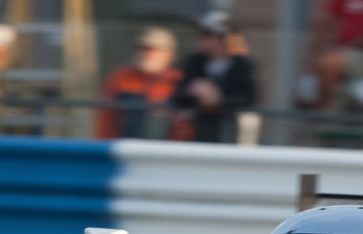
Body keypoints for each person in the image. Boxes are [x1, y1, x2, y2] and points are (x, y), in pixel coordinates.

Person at [173, 11, 258, 143]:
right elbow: (178, 95)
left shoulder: (242, 66)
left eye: (207, 34)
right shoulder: (193, 62)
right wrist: (192, 90)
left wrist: (219, 99)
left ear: (222, 38)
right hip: (194, 137)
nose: (200, 39)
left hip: (229, 137)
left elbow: (249, 97)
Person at [95, 27, 182, 139]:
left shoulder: (178, 81)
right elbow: (106, 119)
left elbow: (183, 126)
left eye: (154, 49)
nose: (147, 54)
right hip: (127, 149)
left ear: (169, 54)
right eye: (143, 49)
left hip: (166, 152)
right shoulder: (120, 79)